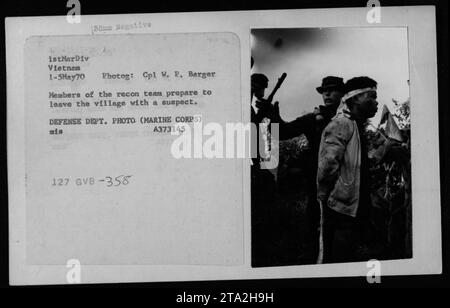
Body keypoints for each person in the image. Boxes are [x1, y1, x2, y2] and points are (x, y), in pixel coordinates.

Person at [268, 76, 345, 263]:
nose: (327, 93)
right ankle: (313, 259)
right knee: (316, 221)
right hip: (317, 180)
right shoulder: (313, 119)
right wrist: (272, 117)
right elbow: (283, 133)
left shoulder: (350, 118)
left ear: (342, 93)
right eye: (324, 90)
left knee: (341, 229)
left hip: (344, 181)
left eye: (332, 89)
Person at [317, 76, 379, 263]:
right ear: (355, 98)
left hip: (353, 204)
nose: (376, 102)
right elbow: (327, 165)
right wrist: (325, 194)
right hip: (341, 208)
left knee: (349, 251)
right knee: (340, 255)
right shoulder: (342, 123)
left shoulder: (356, 125)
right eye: (372, 96)